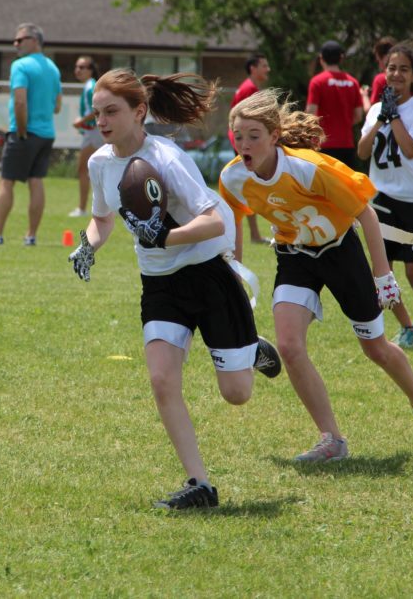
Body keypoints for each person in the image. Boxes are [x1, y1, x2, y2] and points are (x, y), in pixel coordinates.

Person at [67, 68, 280, 510]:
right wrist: (88, 246)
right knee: (162, 379)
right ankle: (199, 484)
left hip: (208, 275)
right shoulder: (99, 162)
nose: (102, 121)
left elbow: (214, 220)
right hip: (160, 283)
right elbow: (104, 218)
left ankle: (250, 345)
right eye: (97, 113)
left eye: (112, 111)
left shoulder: (165, 156)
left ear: (139, 111)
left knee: (236, 394)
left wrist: (163, 236)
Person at [221, 88, 413, 462]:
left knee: (375, 348)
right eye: (238, 137)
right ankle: (332, 440)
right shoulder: (233, 179)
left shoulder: (309, 168)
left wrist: (383, 278)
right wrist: (236, 275)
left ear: (274, 137)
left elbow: (366, 215)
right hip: (294, 257)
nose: (243, 145)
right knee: (291, 347)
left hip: (341, 252)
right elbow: (235, 221)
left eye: (253, 136)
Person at [357, 44, 413, 349]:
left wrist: (395, 117)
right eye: (392, 68)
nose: (396, 74)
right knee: (382, 272)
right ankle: (407, 328)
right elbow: (362, 151)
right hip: (382, 199)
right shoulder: (375, 110)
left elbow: (410, 150)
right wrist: (382, 117)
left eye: (403, 69)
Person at [0, 23, 62, 247]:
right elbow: (58, 106)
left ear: (34, 40)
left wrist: (22, 130)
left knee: (6, 182)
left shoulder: (20, 66)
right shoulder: (53, 68)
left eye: (20, 39)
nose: (15, 44)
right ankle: (30, 237)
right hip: (46, 134)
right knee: (36, 181)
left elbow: (20, 101)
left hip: (24, 133)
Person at [227, 53, 270, 244]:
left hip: (242, 144)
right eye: (264, 65)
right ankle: (253, 235)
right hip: (246, 146)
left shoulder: (247, 87)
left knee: (248, 187)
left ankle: (254, 234)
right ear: (253, 68)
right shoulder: (250, 89)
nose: (267, 69)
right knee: (249, 188)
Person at [306, 40, 364, 169]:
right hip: (347, 144)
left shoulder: (317, 82)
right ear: (341, 58)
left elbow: (310, 112)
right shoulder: (352, 82)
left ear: (321, 58)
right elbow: (359, 115)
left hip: (323, 144)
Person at [69, 55, 100, 217]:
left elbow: (96, 111)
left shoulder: (90, 86)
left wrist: (80, 121)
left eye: (82, 67)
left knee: (82, 169)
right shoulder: (90, 85)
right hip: (93, 132)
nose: (78, 70)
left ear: (91, 70)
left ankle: (82, 209)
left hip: (94, 133)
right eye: (77, 66)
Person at [363, 36, 397, 109]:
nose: (379, 65)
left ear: (384, 58)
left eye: (378, 61)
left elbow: (373, 111)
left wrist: (364, 95)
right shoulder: (409, 77)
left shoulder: (380, 79)